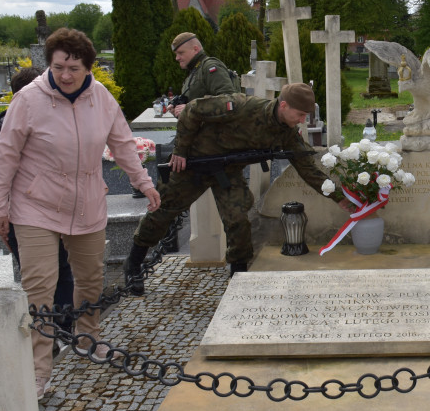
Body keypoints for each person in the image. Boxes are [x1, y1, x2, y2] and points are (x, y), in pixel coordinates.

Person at [0, 28, 160, 400]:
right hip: (35, 205)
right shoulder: (28, 100)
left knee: (91, 279)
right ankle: (39, 373)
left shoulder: (102, 99)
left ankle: (88, 338)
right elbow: (5, 155)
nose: (65, 75)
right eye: (59, 66)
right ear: (50, 63)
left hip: (87, 202)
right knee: (40, 289)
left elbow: (123, 144)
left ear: (87, 68)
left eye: (74, 68)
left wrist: (144, 183)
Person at [123, 83, 354, 283]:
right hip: (194, 163)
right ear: (283, 105)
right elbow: (193, 110)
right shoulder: (242, 106)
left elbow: (307, 168)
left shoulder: (287, 132)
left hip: (227, 172)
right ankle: (133, 265)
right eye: (300, 114)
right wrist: (181, 151)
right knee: (163, 211)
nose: (303, 120)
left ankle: (238, 275)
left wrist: (340, 198)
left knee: (238, 221)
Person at [0, 66, 75, 347]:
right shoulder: (8, 128)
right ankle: (51, 334)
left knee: (55, 271)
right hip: (30, 213)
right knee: (46, 275)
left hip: (48, 209)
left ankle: (60, 330)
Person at [169, 32, 240, 118]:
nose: (177, 58)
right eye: (176, 54)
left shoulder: (210, 67)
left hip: (217, 130)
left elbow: (229, 101)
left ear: (195, 49)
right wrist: (178, 110)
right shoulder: (195, 70)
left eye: (181, 53)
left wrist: (191, 108)